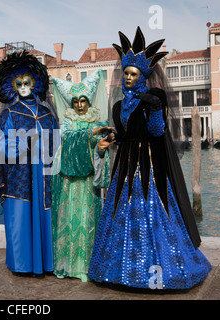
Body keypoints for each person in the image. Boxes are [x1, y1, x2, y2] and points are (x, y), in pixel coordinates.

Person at [88, 27, 211, 289]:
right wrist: (110, 139)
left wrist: (155, 108)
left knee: (151, 212)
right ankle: (120, 272)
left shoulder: (155, 98)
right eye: (126, 73)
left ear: (143, 75)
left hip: (150, 166)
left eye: (134, 74)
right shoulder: (119, 105)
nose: (129, 78)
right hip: (124, 166)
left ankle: (155, 275)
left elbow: (157, 132)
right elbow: (123, 135)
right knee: (122, 212)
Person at [0, 51, 59, 277]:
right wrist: (26, 144)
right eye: (18, 83)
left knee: (45, 212)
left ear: (35, 84)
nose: (23, 87)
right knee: (21, 213)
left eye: (27, 82)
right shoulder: (10, 113)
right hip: (20, 174)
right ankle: (23, 264)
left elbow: (56, 142)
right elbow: (2, 147)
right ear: (12, 85)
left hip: (45, 173)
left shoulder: (46, 113)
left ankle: (45, 262)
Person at [50, 69, 114, 282]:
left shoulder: (96, 120)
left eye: (83, 100)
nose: (78, 105)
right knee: (68, 218)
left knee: (88, 219)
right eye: (75, 101)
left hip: (88, 179)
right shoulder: (68, 120)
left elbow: (98, 152)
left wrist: (102, 147)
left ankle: (87, 265)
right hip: (69, 178)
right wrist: (92, 134)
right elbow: (67, 139)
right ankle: (68, 265)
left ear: (89, 101)